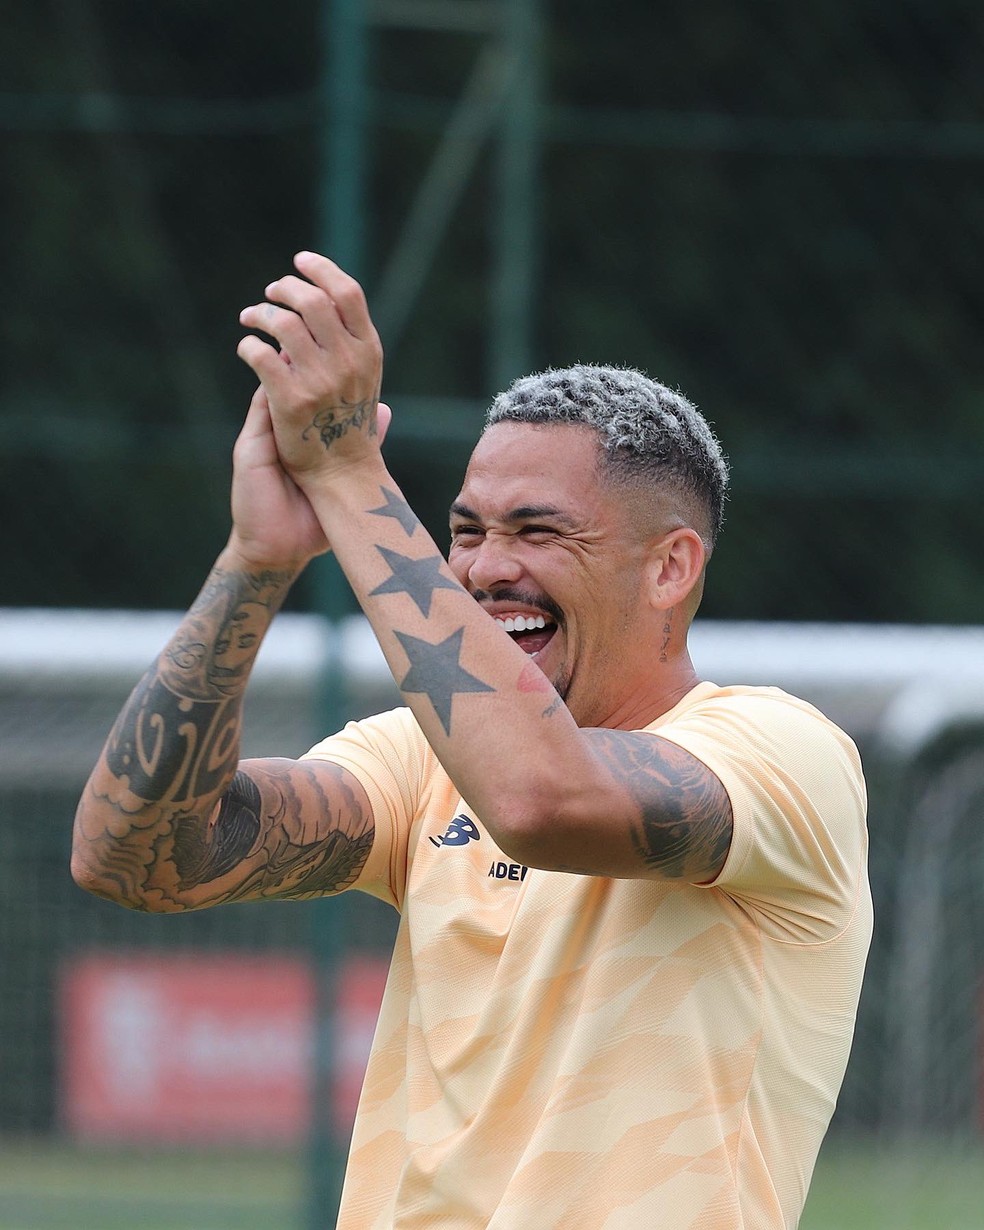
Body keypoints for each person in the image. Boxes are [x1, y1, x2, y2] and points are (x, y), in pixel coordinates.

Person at [72, 252, 872, 1229]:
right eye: (466, 530)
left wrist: (346, 473)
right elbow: (139, 859)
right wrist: (257, 559)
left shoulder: (783, 752)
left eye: (538, 532)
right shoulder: (426, 760)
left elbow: (543, 801)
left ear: (670, 568)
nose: (488, 568)